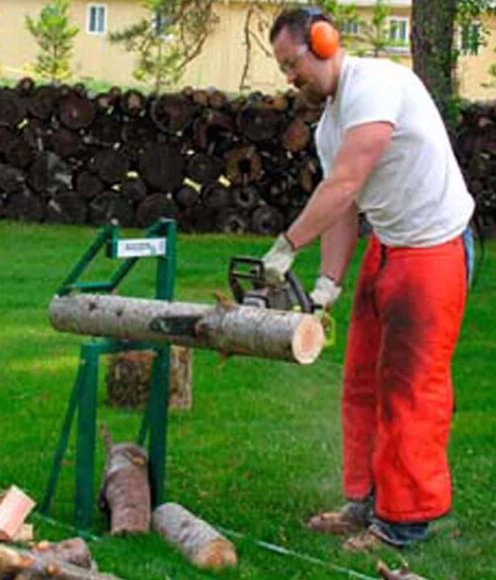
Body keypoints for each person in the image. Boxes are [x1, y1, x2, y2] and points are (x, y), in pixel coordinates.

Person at [262, 7, 475, 551]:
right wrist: (327, 286)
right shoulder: (330, 124)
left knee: (411, 388)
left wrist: (287, 246)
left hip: (433, 246)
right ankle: (364, 502)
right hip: (388, 244)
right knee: (360, 379)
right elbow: (344, 205)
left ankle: (404, 521)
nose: (290, 78)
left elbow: (346, 181)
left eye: (293, 64)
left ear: (324, 42)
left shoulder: (376, 84)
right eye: (283, 69)